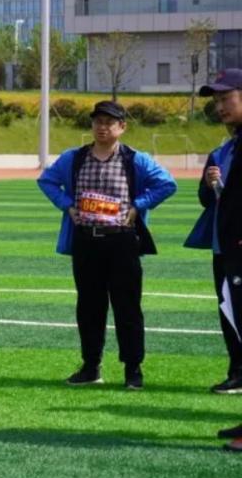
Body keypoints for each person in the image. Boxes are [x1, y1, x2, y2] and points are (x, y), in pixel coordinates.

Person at [38, 100, 176, 390]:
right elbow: (47, 181)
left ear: (121, 127)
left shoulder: (134, 159)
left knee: (128, 307)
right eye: (97, 122)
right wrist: (67, 206)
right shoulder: (74, 158)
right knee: (89, 306)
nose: (102, 127)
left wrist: (138, 206)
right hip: (86, 240)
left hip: (122, 240)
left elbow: (166, 184)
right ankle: (91, 366)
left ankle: (133, 369)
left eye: (109, 122)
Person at [185, 69, 242, 402]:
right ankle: (237, 371)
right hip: (224, 247)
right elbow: (206, 200)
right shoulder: (223, 151)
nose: (220, 107)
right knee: (229, 311)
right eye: (217, 101)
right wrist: (210, 185)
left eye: (226, 98)